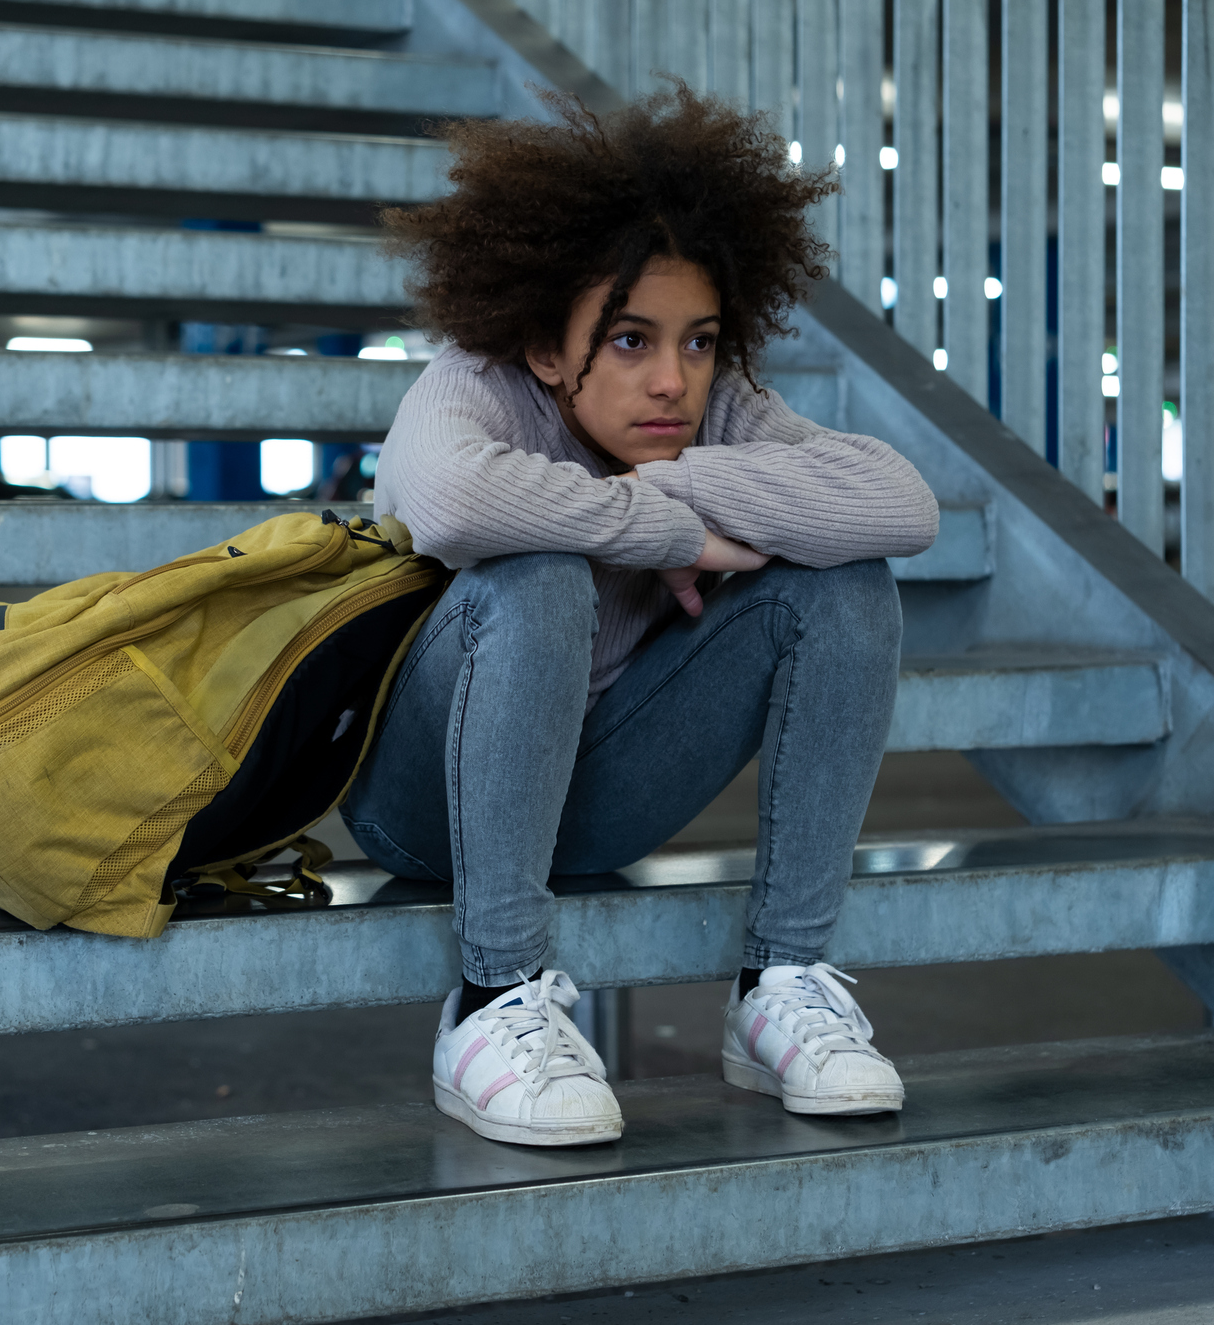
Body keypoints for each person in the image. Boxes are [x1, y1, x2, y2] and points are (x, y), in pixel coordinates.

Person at [339, 83, 939, 1148]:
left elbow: (902, 503)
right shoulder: (473, 386)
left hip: (599, 788)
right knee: (539, 572)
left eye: (700, 340)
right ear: (543, 344)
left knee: (844, 582)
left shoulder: (713, 409)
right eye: (628, 341)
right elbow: (450, 498)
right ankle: (492, 999)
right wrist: (668, 536)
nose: (673, 380)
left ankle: (783, 982)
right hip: (418, 794)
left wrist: (675, 491)